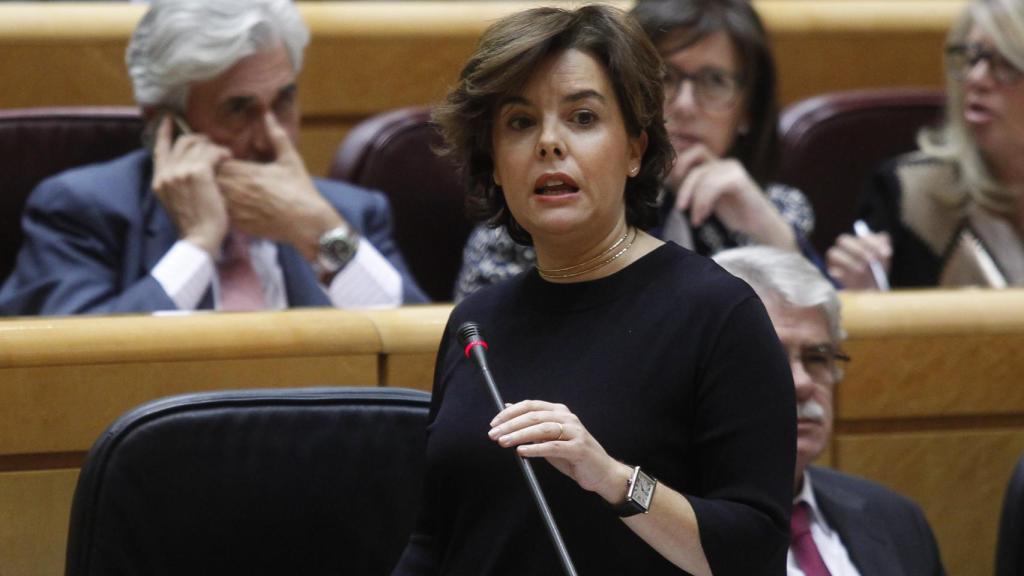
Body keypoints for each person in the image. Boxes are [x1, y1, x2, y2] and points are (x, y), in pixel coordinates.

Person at [393, 6, 795, 575]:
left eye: (582, 117)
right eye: (520, 123)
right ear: (495, 162)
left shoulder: (720, 315)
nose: (550, 143)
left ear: (635, 148)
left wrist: (611, 478)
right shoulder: (477, 322)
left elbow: (753, 554)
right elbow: (434, 541)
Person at [0, 0, 427, 316]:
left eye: (283, 102)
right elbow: (69, 377)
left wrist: (323, 237)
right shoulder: (82, 211)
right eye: (238, 109)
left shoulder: (351, 213)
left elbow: (427, 365)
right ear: (167, 123)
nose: (271, 138)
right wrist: (198, 244)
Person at [453, 0, 816, 301]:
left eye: (714, 81)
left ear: (747, 111)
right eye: (665, 79)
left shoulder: (778, 210)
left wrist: (775, 236)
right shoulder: (543, 209)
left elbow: (825, 348)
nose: (686, 105)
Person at [714, 246, 947, 576]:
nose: (802, 383)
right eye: (769, 358)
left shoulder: (896, 520)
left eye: (817, 357)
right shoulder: (653, 532)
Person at [827, 0, 1024, 290]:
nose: (975, 78)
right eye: (971, 58)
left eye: (1005, 63)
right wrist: (864, 296)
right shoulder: (909, 195)